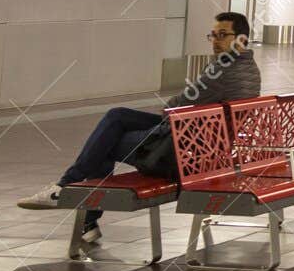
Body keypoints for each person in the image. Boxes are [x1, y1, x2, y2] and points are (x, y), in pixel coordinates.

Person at [16, 12, 261, 243]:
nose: (215, 41)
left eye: (222, 35)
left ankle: (70, 195)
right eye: (213, 35)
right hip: (207, 147)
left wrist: (176, 106)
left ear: (241, 39)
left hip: (183, 155)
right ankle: (79, 209)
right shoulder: (249, 68)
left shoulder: (223, 70)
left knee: (106, 141)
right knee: (117, 117)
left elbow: (178, 103)